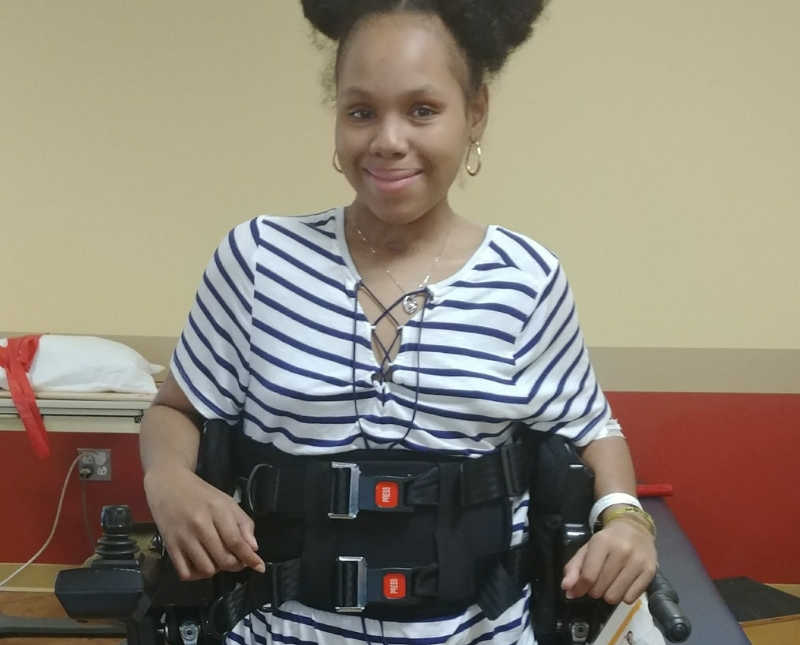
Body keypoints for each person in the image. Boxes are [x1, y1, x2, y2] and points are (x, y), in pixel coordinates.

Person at [139, 1, 658, 644]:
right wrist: (169, 481)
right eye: (361, 112)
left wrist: (627, 519)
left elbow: (593, 429)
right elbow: (174, 409)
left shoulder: (527, 278)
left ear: (476, 114)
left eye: (421, 109)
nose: (388, 140)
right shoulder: (258, 259)